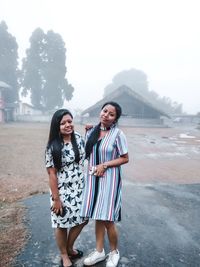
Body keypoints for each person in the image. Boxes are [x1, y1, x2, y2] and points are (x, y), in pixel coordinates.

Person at [80, 101, 129, 267]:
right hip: (93, 179)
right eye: (104, 111)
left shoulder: (118, 134)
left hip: (110, 181)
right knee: (97, 217)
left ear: (115, 119)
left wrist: (105, 165)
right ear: (100, 112)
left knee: (108, 219)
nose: (106, 115)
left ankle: (114, 252)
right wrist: (86, 130)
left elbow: (125, 158)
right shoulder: (91, 131)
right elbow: (87, 153)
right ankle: (99, 251)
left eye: (111, 114)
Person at [45, 109, 87, 267]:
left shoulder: (78, 138)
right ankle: (64, 254)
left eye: (70, 121)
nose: (67, 125)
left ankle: (69, 247)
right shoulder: (53, 146)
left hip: (79, 188)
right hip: (61, 191)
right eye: (63, 123)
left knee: (83, 219)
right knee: (61, 223)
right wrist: (56, 199)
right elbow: (52, 174)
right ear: (57, 126)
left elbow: (86, 155)